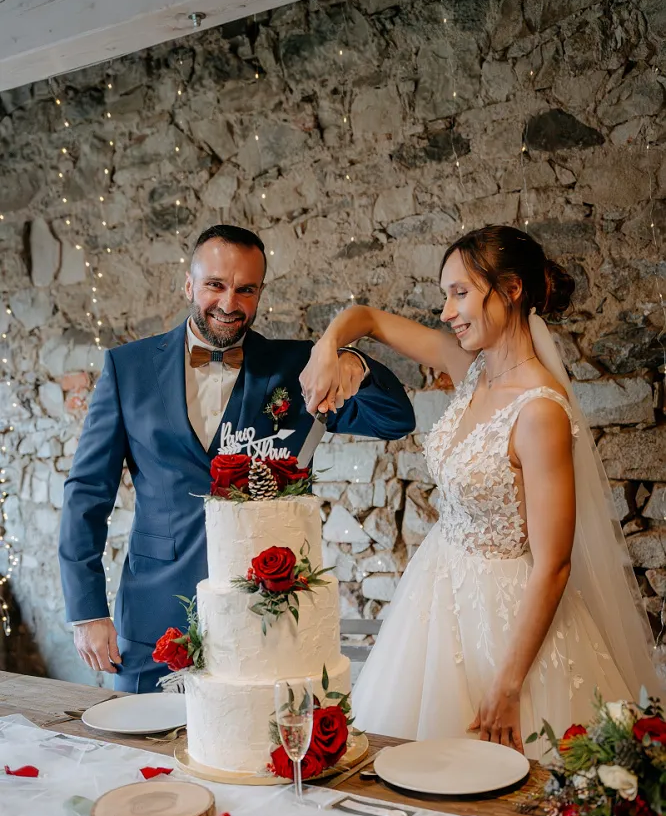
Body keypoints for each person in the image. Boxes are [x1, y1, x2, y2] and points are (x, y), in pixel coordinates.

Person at [299, 224, 662, 756]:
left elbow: (554, 564)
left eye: (460, 293)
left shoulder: (539, 412)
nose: (446, 312)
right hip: (435, 593)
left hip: (505, 621)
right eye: (445, 295)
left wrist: (508, 685)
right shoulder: (469, 368)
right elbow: (368, 319)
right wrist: (327, 347)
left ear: (511, 289)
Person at [59, 224, 415, 693]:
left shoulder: (299, 368)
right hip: (153, 623)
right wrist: (86, 610)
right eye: (215, 285)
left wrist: (354, 362)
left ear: (260, 292)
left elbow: (394, 420)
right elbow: (87, 492)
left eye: (246, 289)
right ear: (189, 285)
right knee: (142, 740)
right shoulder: (127, 368)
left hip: (267, 620)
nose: (229, 303)